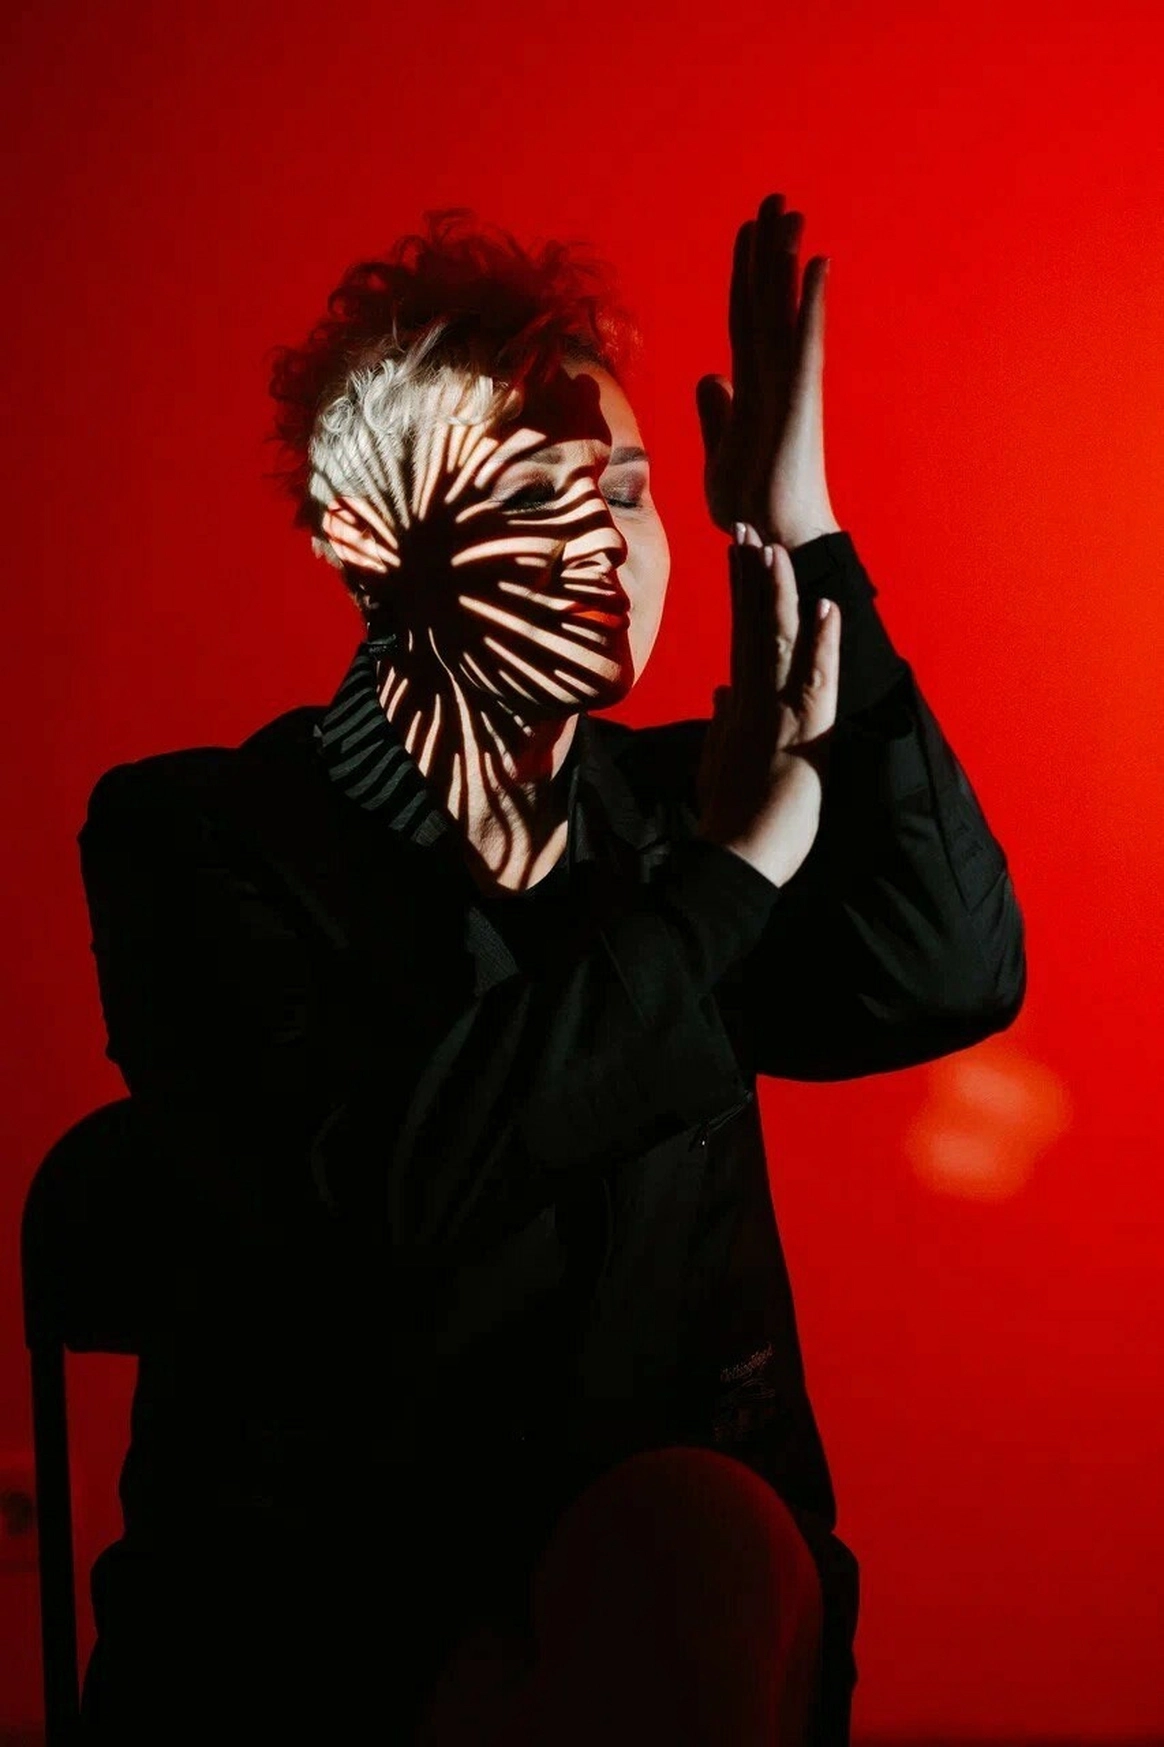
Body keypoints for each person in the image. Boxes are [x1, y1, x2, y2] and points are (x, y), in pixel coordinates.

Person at [75, 196, 1026, 1745]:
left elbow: (951, 967)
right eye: (532, 490)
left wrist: (805, 531)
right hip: (330, 1646)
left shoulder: (679, 814)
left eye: (631, 493)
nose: (606, 546)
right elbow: (367, 1191)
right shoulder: (198, 840)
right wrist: (724, 886)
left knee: (697, 1542)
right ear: (374, 546)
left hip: (682, 1636)